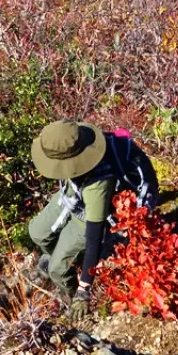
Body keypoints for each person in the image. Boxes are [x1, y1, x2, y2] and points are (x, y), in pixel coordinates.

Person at [28, 120, 159, 317]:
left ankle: (70, 294)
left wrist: (83, 291)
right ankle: (69, 257)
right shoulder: (80, 140)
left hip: (94, 199)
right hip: (76, 187)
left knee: (56, 269)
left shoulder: (98, 184)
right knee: (36, 231)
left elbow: (94, 237)